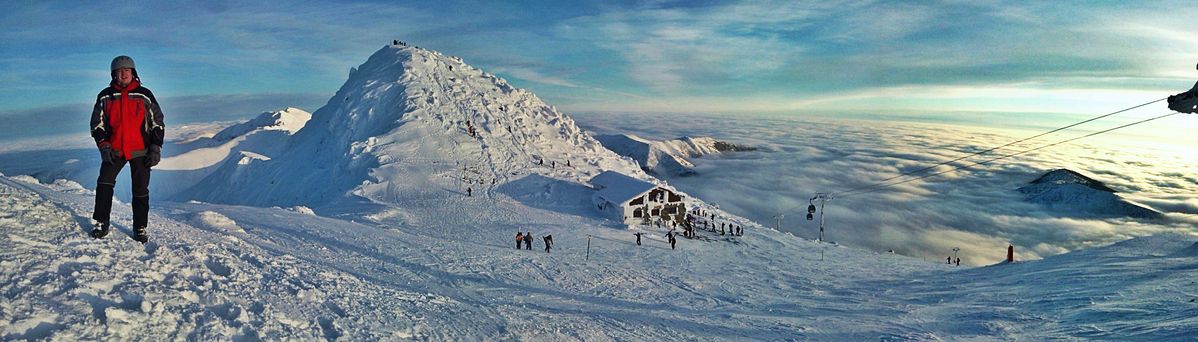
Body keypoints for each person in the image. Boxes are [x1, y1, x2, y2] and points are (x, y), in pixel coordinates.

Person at [89, 55, 165, 244]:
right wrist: (104, 145)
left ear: (133, 73)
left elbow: (157, 122)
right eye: (119, 71)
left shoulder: (144, 94)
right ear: (113, 74)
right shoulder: (105, 96)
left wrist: (155, 147)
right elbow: (96, 125)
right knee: (104, 183)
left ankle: (140, 227)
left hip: (141, 150)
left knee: (140, 190)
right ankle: (101, 221)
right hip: (114, 150)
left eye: (127, 71)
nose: (123, 74)